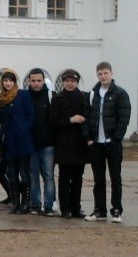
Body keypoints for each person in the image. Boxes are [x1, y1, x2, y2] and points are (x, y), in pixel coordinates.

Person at [84, 61, 131, 223]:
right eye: (100, 73)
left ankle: (116, 210)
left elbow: (124, 118)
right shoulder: (93, 94)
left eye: (105, 73)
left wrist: (116, 139)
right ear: (97, 75)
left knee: (115, 178)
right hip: (96, 143)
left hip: (112, 143)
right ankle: (100, 210)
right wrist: (90, 138)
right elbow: (88, 116)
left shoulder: (120, 93)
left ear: (111, 73)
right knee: (98, 179)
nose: (103, 76)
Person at [50, 69, 88, 219]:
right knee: (64, 178)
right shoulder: (57, 99)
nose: (70, 83)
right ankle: (65, 208)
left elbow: (88, 117)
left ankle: (76, 208)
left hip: (80, 144)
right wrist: (70, 120)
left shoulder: (84, 98)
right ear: (63, 82)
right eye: (67, 81)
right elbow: (53, 123)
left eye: (73, 81)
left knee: (78, 178)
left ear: (76, 82)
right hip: (64, 144)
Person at [0, 69, 35, 215]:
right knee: (12, 174)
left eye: (10, 80)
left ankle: (25, 203)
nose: (7, 83)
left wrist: (24, 128)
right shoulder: (2, 98)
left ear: (15, 82)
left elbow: (31, 114)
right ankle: (15, 203)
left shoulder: (23, 95)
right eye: (5, 81)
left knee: (24, 173)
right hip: (9, 141)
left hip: (23, 140)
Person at [27, 68, 55, 216]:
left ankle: (49, 206)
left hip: (48, 143)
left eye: (39, 80)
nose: (36, 83)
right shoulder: (25, 96)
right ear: (29, 81)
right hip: (31, 143)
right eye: (33, 81)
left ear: (43, 80)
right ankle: (35, 204)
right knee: (33, 176)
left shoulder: (50, 96)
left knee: (49, 176)